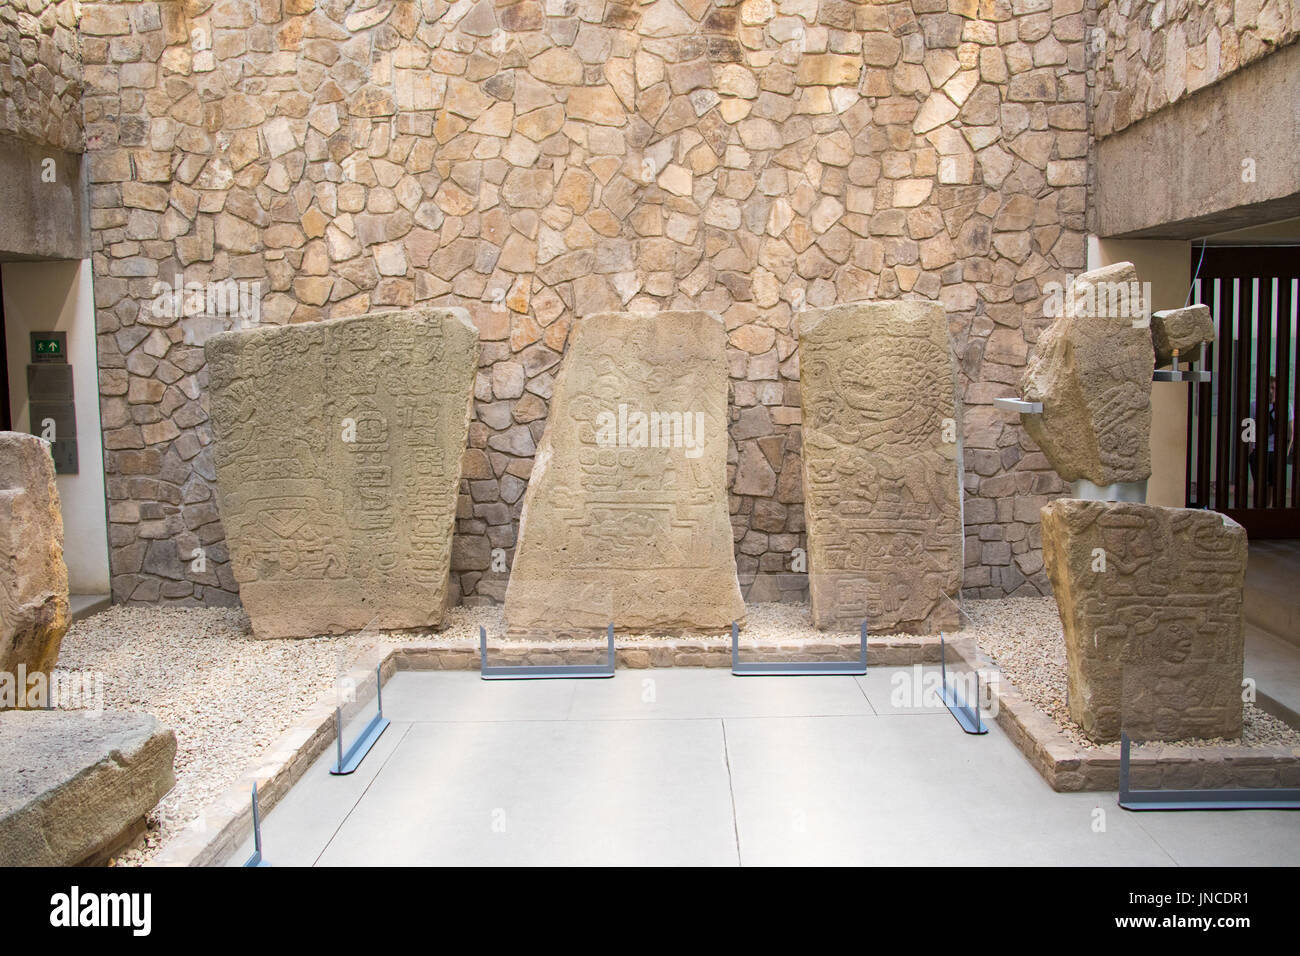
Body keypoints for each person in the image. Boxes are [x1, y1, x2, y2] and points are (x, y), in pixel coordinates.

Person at [1248, 376, 1296, 503]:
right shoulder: (1254, 406)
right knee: (1260, 485)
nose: (1270, 391)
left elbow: (1290, 434)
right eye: (1268, 388)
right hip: (1258, 451)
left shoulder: (1286, 407)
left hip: (1276, 452)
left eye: (1273, 388)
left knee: (1273, 486)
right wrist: (1250, 451)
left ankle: (1268, 510)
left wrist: (1284, 454)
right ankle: (1259, 509)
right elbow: (1248, 430)